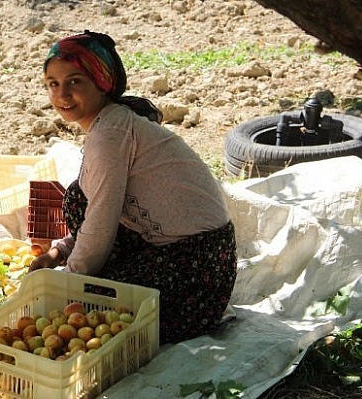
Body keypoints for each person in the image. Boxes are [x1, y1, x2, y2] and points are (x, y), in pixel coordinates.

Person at [29, 31, 237, 344]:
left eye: (75, 81)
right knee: (78, 196)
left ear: (102, 81)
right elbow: (102, 212)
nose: (62, 94)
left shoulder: (110, 134)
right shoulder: (111, 123)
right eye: (53, 84)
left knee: (100, 311)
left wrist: (68, 283)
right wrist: (62, 250)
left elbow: (100, 221)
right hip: (190, 251)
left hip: (196, 265)